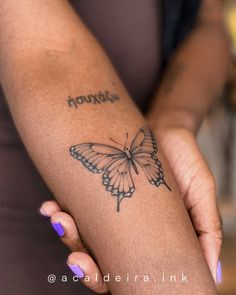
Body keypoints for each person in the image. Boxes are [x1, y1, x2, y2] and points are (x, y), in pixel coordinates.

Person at [0, 0, 230, 294]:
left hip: (146, 209)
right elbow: (53, 58)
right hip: (25, 256)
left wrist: (173, 119)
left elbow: (208, 23)